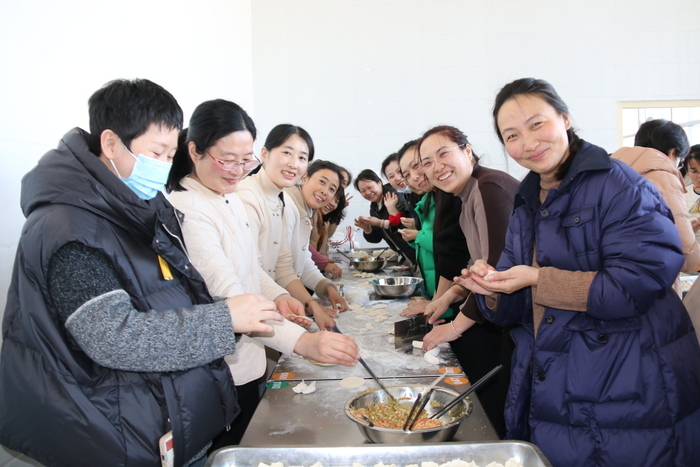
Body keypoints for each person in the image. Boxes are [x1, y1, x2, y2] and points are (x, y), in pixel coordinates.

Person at [0, 79, 284, 467]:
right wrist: (226, 318)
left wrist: (232, 312)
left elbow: (162, 301)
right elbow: (115, 338)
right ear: (112, 143)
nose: (165, 166)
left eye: (170, 155)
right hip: (106, 430)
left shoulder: (134, 210)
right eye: (156, 153)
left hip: (153, 415)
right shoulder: (70, 228)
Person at [459, 77, 700, 466]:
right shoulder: (527, 197)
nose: (529, 142)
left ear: (565, 119)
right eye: (513, 135)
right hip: (555, 380)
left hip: (625, 381)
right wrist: (490, 287)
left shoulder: (621, 186)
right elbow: (515, 302)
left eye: (537, 124)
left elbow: (637, 284)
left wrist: (538, 279)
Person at [165, 100, 360, 448]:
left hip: (251, 355)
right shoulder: (189, 209)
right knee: (231, 447)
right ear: (194, 150)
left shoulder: (227, 196)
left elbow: (253, 268)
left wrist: (283, 296)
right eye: (227, 160)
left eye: (245, 160)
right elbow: (231, 296)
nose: (237, 170)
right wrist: (302, 341)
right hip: (220, 367)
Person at [416, 125, 518, 438]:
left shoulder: (489, 188)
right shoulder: (468, 196)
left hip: (518, 320)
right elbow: (477, 268)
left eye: (443, 153)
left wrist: (457, 326)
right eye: (428, 162)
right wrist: (449, 296)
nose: (437, 167)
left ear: (467, 151)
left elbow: (496, 272)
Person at [237, 125, 343, 330]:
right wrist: (302, 304)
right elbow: (251, 270)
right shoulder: (247, 197)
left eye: (302, 158)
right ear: (265, 153)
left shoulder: (283, 201)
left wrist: (315, 300)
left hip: (273, 310)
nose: (294, 164)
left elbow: (286, 266)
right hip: (247, 313)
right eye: (287, 153)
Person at [610, 119, 700, 285]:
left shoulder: (610, 173)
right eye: (680, 161)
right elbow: (683, 246)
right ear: (673, 153)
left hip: (611, 275)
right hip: (652, 277)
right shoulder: (662, 176)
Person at [284, 159, 350, 320]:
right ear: (305, 177)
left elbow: (304, 260)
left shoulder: (306, 212)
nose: (324, 191)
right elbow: (281, 270)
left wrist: (327, 288)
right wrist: (310, 303)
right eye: (322, 182)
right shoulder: (286, 207)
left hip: (285, 300)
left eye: (331, 189)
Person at [396, 140, 437, 299]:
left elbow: (451, 247)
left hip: (451, 299)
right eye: (406, 175)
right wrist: (414, 237)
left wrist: (418, 236)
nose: (414, 177)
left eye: (416, 165)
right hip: (434, 292)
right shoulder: (426, 200)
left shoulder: (449, 198)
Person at [353, 169, 417, 264]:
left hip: (416, 252)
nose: (367, 192)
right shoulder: (374, 207)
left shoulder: (394, 196)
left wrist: (380, 223)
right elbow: (376, 239)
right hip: (404, 256)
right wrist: (367, 229)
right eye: (363, 191)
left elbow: (406, 228)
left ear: (379, 183)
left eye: (370, 187)